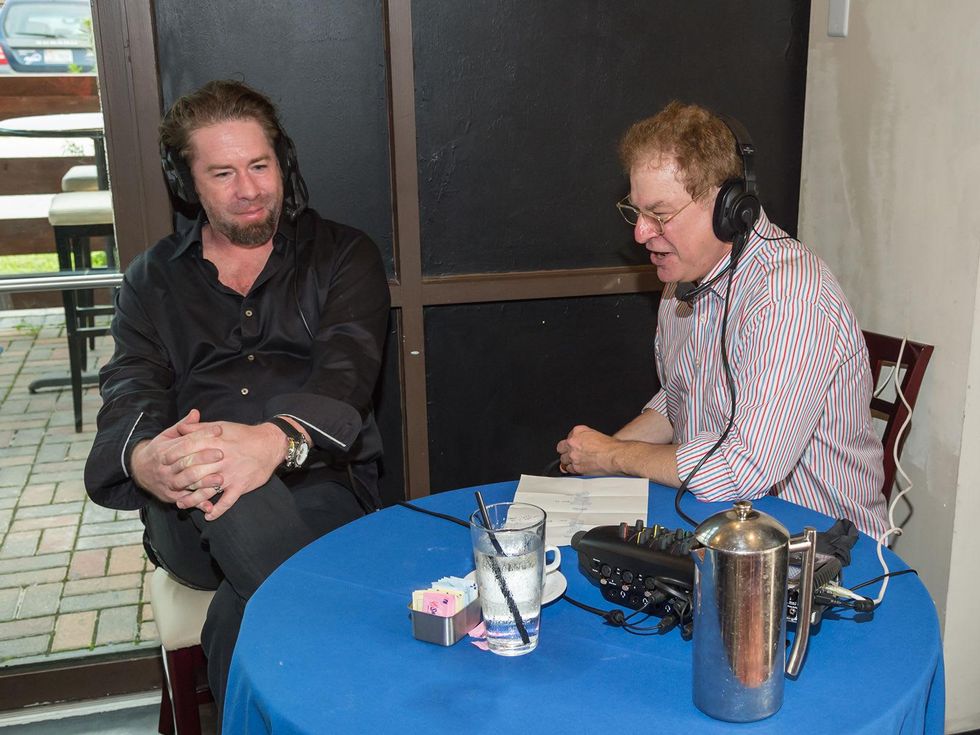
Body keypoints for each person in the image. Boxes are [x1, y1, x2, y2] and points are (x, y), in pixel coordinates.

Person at [83, 80, 390, 718]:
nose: (248, 189)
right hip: (187, 506)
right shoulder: (150, 279)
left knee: (241, 611)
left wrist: (272, 441)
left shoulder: (343, 255)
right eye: (223, 173)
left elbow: (348, 372)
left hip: (318, 485)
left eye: (259, 165)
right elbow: (130, 385)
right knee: (215, 469)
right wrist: (144, 459)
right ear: (186, 182)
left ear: (284, 163)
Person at [556, 101, 888, 540]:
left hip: (822, 547)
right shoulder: (684, 279)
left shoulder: (788, 296)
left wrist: (615, 456)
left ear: (728, 209)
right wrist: (600, 457)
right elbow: (680, 396)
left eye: (660, 214)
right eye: (637, 212)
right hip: (724, 527)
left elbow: (744, 468)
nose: (641, 233)